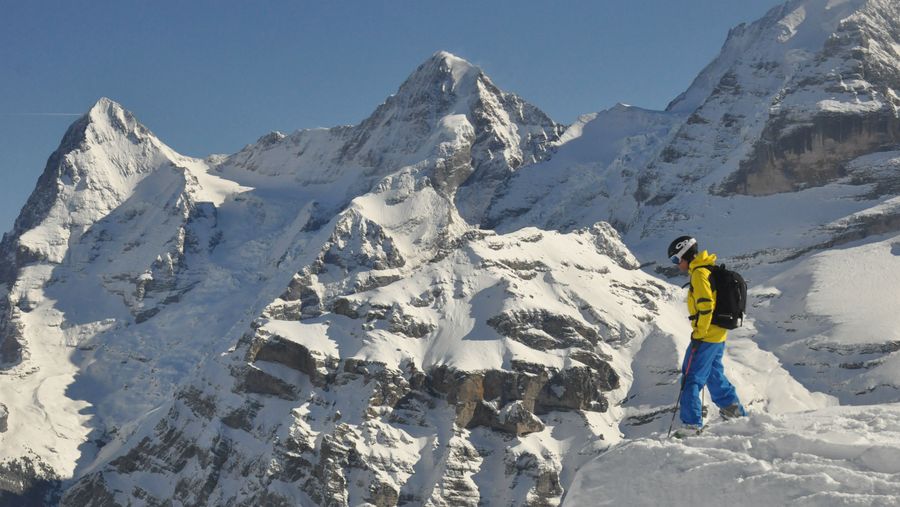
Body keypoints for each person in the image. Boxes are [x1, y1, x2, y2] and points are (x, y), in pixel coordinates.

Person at [667, 235, 746, 436]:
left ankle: (692, 425)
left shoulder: (699, 274)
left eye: (677, 260)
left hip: (707, 335)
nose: (677, 265)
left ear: (685, 255)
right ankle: (734, 412)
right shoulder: (707, 269)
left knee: (691, 377)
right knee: (713, 373)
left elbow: (705, 305)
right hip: (718, 335)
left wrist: (699, 334)